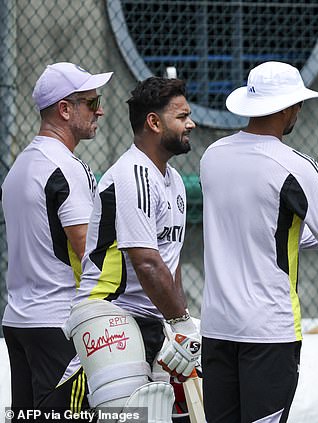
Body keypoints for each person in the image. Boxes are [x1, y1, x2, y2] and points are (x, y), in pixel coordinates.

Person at [199, 61, 318, 423]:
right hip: (269, 330)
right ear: (286, 108)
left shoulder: (213, 156)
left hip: (216, 327)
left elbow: (271, 233)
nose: (300, 110)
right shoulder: (294, 165)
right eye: (298, 103)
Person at [62, 76, 199, 420]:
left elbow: (170, 263)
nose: (191, 124)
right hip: (108, 312)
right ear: (154, 122)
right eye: (181, 116)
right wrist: (182, 322)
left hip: (152, 319)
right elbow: (148, 264)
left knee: (170, 412)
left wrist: (179, 325)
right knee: (131, 415)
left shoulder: (175, 180)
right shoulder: (132, 174)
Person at [1, 62, 112, 416]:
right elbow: (88, 251)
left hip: (19, 321)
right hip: (58, 324)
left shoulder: (19, 166)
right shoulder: (65, 167)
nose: (100, 110)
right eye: (92, 102)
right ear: (65, 109)